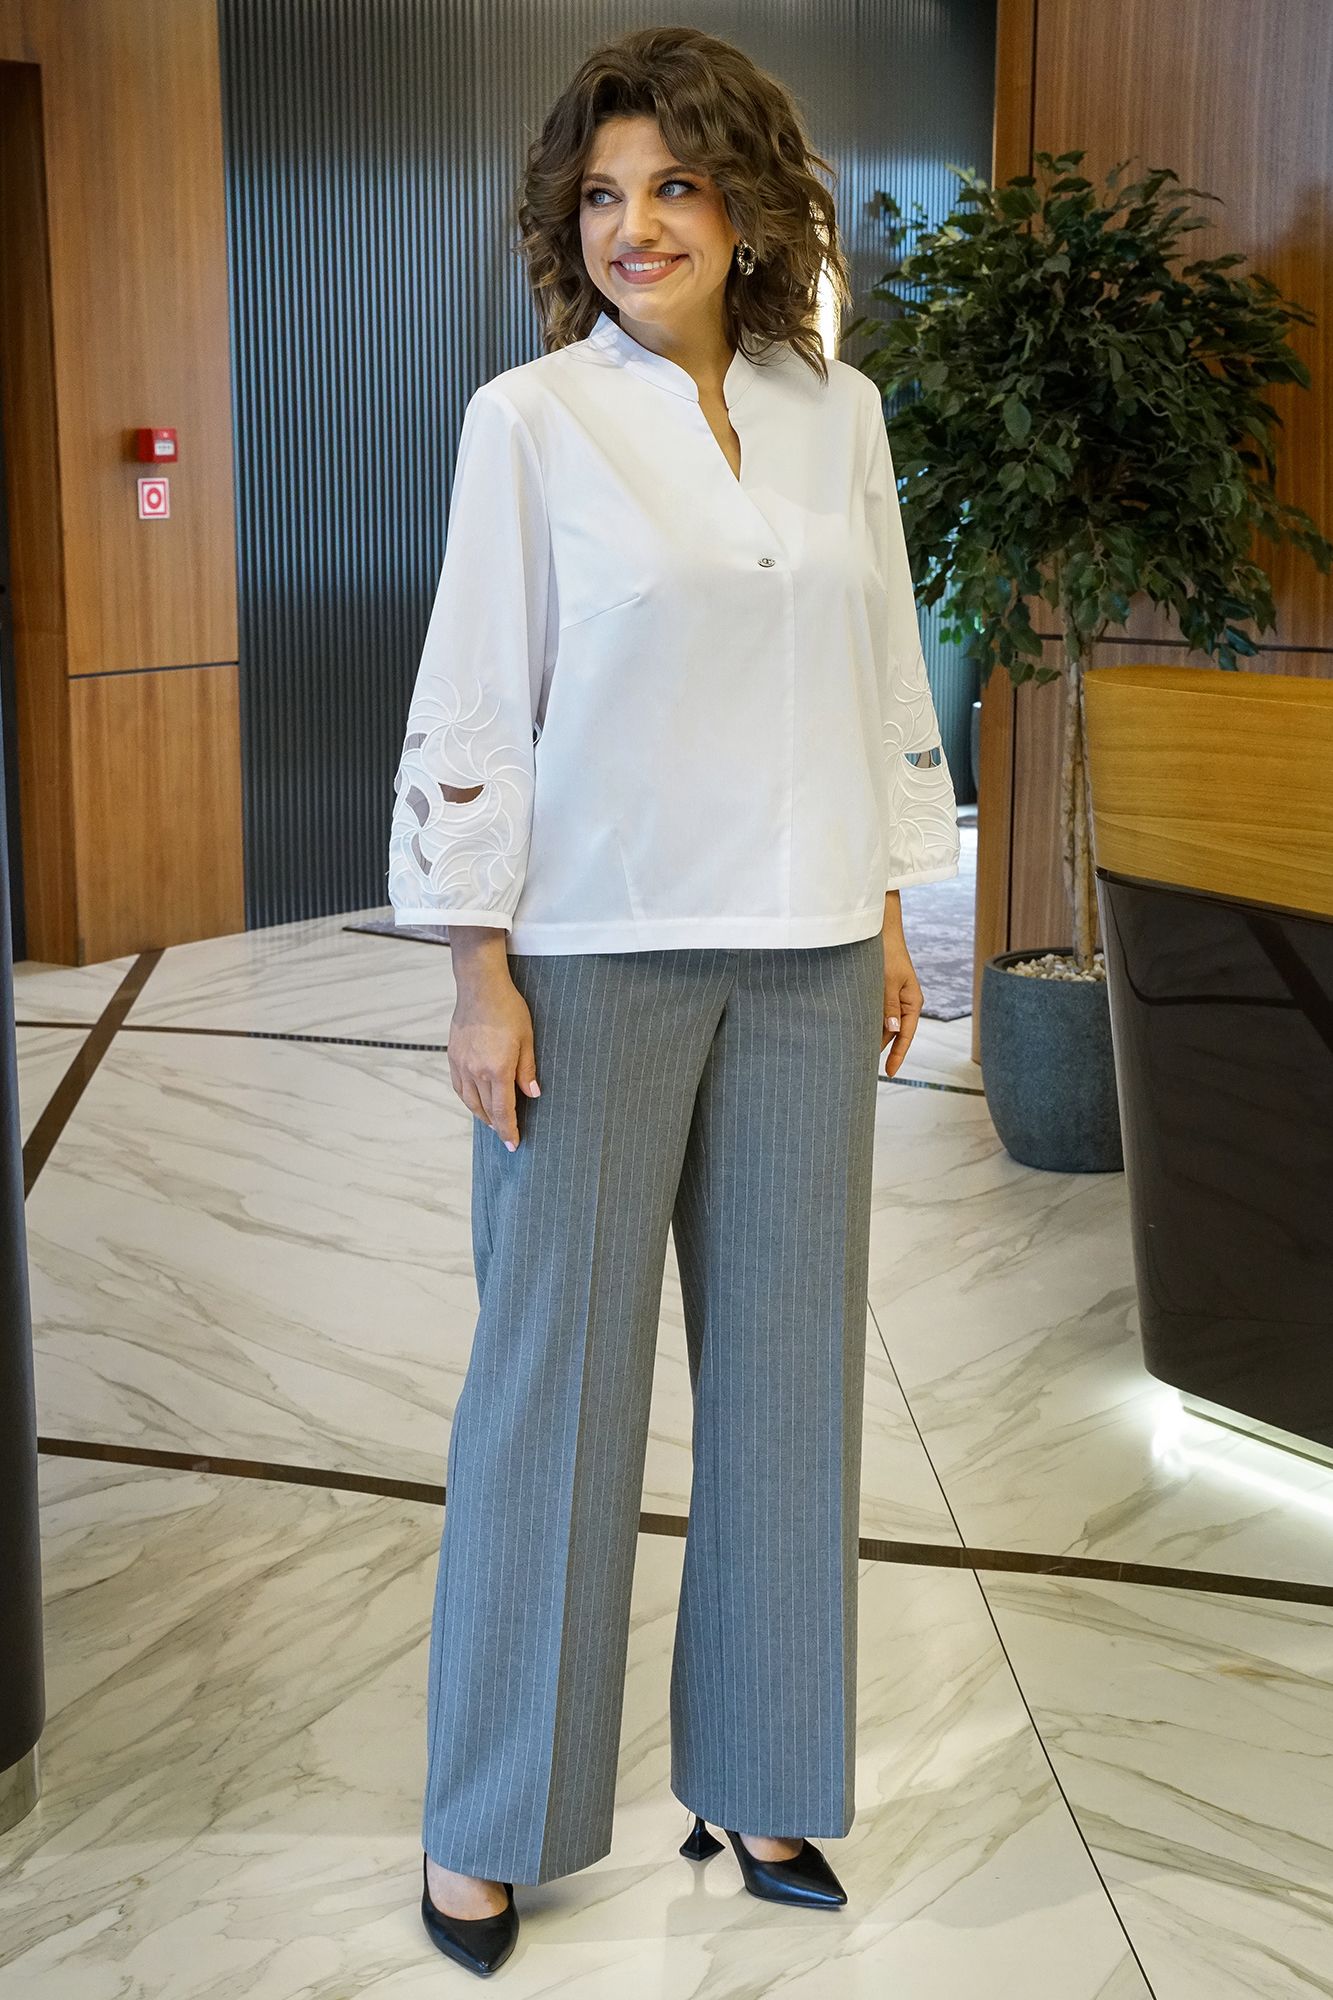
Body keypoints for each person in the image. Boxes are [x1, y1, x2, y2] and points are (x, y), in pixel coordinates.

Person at [388, 24, 960, 1979]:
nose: (633, 225)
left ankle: (765, 1772)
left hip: (808, 950)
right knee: (549, 1389)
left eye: (674, 186)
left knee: (791, 1380)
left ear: (748, 205)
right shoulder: (531, 420)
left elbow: (874, 673)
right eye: (601, 194)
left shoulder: (834, 411)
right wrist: (478, 971)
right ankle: (488, 1817)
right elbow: (476, 698)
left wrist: (885, 913)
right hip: (593, 955)